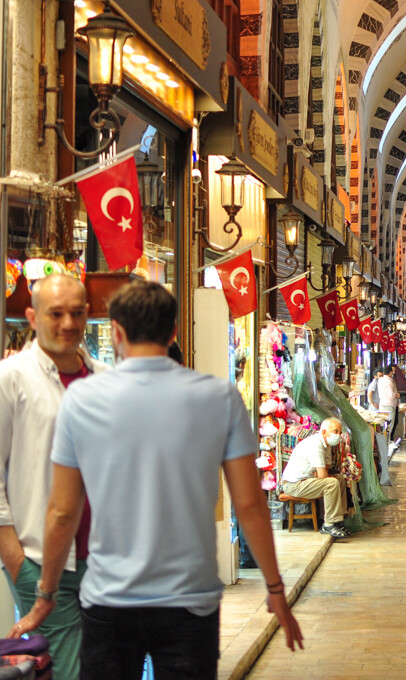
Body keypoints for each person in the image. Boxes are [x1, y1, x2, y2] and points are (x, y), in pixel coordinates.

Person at [12, 281, 303, 677]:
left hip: (108, 599)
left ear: (116, 332)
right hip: (189, 601)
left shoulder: (83, 398)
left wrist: (45, 595)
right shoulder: (220, 398)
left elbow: (63, 511)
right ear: (173, 333)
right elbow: (250, 505)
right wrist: (274, 589)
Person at [0, 274, 106, 679]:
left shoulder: (99, 378)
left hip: (101, 558)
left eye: (77, 313)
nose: (68, 324)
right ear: (31, 317)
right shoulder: (11, 378)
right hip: (41, 560)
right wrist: (16, 561)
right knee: (69, 670)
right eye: (55, 314)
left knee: (99, 667)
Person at [280, 418, 351, 539]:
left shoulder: (326, 445)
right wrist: (319, 476)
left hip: (307, 481)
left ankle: (339, 519)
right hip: (294, 485)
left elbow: (325, 471)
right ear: (324, 432)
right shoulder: (315, 444)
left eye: (340, 432)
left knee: (339, 478)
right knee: (331, 483)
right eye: (335, 431)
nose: (338, 435)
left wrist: (319, 476)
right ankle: (329, 524)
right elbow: (323, 475)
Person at [379, 364, 400, 441]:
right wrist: (396, 395)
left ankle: (384, 441)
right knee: (389, 425)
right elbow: (391, 395)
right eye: (392, 371)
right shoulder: (389, 382)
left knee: (383, 424)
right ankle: (387, 441)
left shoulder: (380, 380)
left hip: (382, 404)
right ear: (390, 372)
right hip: (389, 405)